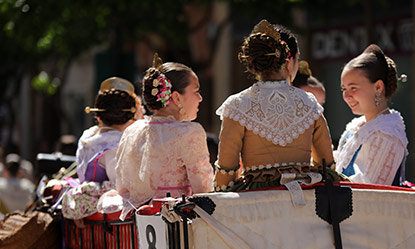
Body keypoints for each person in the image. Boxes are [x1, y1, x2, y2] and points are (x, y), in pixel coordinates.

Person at [214, 20, 339, 193]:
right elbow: (326, 165)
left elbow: (227, 170)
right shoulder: (308, 103)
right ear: (289, 61)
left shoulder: (237, 105)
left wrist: (221, 198)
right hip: (303, 197)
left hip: (258, 201)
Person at [115, 54, 213, 215]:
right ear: (176, 97)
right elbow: (203, 190)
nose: (200, 98)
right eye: (196, 91)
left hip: (135, 223)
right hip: (174, 223)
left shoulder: (132, 130)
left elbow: (122, 187)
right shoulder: (189, 132)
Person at [334, 44, 408, 186]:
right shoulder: (357, 127)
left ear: (378, 87)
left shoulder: (387, 134)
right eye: (344, 89)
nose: (346, 95)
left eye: (353, 88)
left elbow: (369, 192)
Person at [76, 77, 138, 183]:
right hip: (107, 197)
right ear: (130, 117)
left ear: (99, 116)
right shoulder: (117, 144)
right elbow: (120, 184)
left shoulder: (88, 135)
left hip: (82, 194)